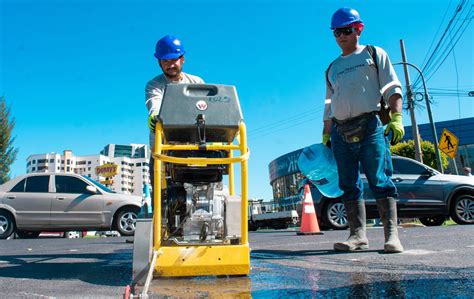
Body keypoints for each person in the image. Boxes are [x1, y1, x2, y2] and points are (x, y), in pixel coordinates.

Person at [322, 8, 404, 253]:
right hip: (339, 131)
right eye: (337, 32)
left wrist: (397, 117)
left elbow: (392, 86)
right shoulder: (332, 68)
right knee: (348, 183)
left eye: (346, 30)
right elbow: (328, 105)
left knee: (380, 180)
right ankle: (357, 236)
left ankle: (392, 237)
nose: (341, 36)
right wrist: (325, 133)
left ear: (358, 29)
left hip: (370, 127)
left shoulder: (373, 54)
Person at [145, 35, 204, 208]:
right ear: (159, 63)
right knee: (162, 200)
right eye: (165, 61)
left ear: (182, 59)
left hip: (191, 147)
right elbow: (153, 103)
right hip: (163, 149)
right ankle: (162, 230)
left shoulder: (197, 82)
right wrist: (154, 116)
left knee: (201, 189)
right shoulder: (154, 85)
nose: (170, 65)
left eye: (174, 60)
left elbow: (204, 108)